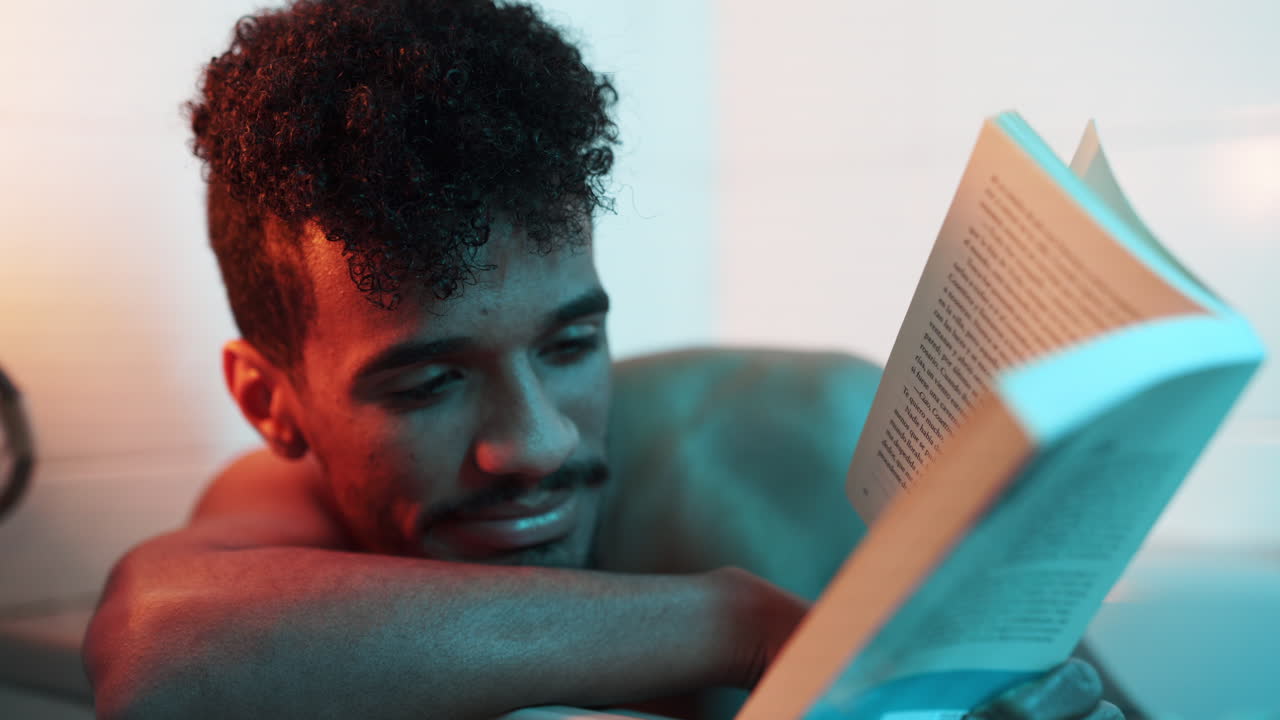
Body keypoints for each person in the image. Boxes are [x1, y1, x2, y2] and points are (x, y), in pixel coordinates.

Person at [82, 1, 1133, 718]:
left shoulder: (809, 431)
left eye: (570, 342)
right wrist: (744, 624)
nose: (533, 445)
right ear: (272, 405)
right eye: (429, 381)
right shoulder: (291, 521)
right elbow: (158, 649)